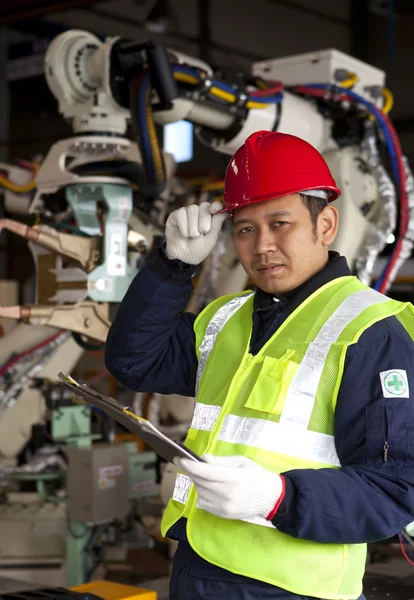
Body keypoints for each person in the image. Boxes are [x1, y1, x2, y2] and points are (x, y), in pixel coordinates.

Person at [105, 130, 414, 600]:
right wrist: (172, 265)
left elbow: (394, 488)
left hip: (291, 588)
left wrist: (279, 499)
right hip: (198, 567)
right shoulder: (227, 318)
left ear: (325, 225)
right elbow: (134, 361)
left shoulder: (371, 330)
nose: (262, 245)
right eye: (246, 228)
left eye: (280, 223)